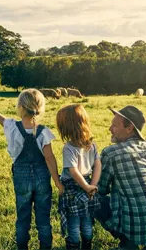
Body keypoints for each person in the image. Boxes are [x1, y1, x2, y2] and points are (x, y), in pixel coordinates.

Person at [0, 88, 64, 250]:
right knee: (43, 219)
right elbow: (50, 158)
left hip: (21, 178)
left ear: (20, 107)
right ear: (40, 108)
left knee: (22, 217)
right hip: (42, 178)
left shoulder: (11, 126)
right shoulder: (44, 132)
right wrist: (58, 183)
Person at [95, 105, 146, 250]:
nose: (109, 129)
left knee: (92, 197)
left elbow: (99, 188)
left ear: (129, 128)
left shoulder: (111, 153)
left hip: (135, 227)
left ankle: (127, 242)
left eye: (114, 125)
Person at [56, 104, 102, 250]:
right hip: (88, 184)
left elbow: (73, 171)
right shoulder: (92, 145)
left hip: (72, 187)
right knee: (87, 219)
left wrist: (87, 186)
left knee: (74, 222)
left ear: (66, 128)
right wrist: (91, 185)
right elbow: (98, 165)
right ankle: (87, 245)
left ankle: (74, 246)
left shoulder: (68, 148)